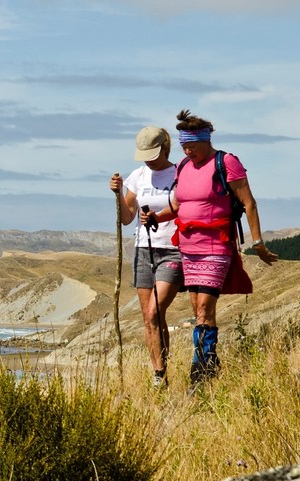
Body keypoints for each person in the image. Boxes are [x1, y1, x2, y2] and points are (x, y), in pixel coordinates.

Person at [142, 110, 278, 387]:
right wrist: (157, 217)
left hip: (217, 245)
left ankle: (200, 372)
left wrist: (258, 243)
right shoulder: (183, 166)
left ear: (206, 140)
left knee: (204, 308)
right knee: (197, 310)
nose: (188, 151)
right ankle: (209, 361)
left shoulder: (226, 162)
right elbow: (180, 205)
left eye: (192, 145)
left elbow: (249, 202)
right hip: (189, 248)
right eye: (183, 146)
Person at [110, 126, 183, 390]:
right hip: (143, 249)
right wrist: (118, 194)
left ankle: (160, 372)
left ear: (165, 148)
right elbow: (126, 218)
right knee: (149, 317)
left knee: (155, 311)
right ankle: (159, 373)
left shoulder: (180, 174)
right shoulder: (137, 176)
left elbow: (187, 207)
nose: (148, 159)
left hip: (173, 248)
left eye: (152, 153)